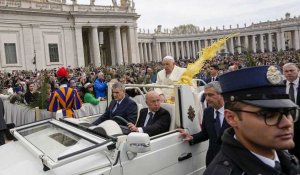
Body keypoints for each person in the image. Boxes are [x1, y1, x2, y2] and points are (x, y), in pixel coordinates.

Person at [204, 65, 300, 175]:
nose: (287, 123)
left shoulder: (286, 160)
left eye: (288, 112)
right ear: (232, 118)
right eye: (268, 115)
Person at [178, 81, 230, 166]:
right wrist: (192, 137)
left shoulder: (234, 111)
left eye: (210, 95)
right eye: (205, 95)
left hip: (232, 162)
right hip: (213, 161)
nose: (207, 98)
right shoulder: (207, 112)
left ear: (221, 94)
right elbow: (205, 134)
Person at [283, 62, 300, 160]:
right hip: (287, 124)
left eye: (291, 70)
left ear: (298, 71)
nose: (289, 73)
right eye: (286, 71)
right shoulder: (280, 86)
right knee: (290, 150)